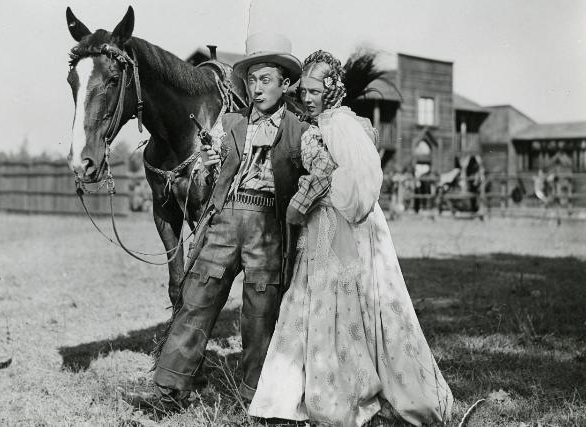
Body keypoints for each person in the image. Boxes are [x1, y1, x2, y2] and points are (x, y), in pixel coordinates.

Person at [249, 50, 454, 427]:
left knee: (343, 301)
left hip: (346, 223)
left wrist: (310, 197)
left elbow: (357, 188)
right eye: (305, 91)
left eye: (314, 91)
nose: (307, 98)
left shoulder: (338, 125)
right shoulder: (329, 124)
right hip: (329, 223)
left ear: (331, 90)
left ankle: (345, 389)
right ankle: (293, 393)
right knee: (318, 300)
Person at [124, 33, 319, 411]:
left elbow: (323, 174)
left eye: (266, 80)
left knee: (259, 316)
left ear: (285, 84)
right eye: (252, 81)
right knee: (196, 299)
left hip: (268, 227)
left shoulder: (301, 131)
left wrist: (300, 203)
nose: (258, 89)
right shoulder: (229, 123)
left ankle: (257, 401)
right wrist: (207, 166)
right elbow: (203, 167)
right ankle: (169, 392)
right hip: (225, 220)